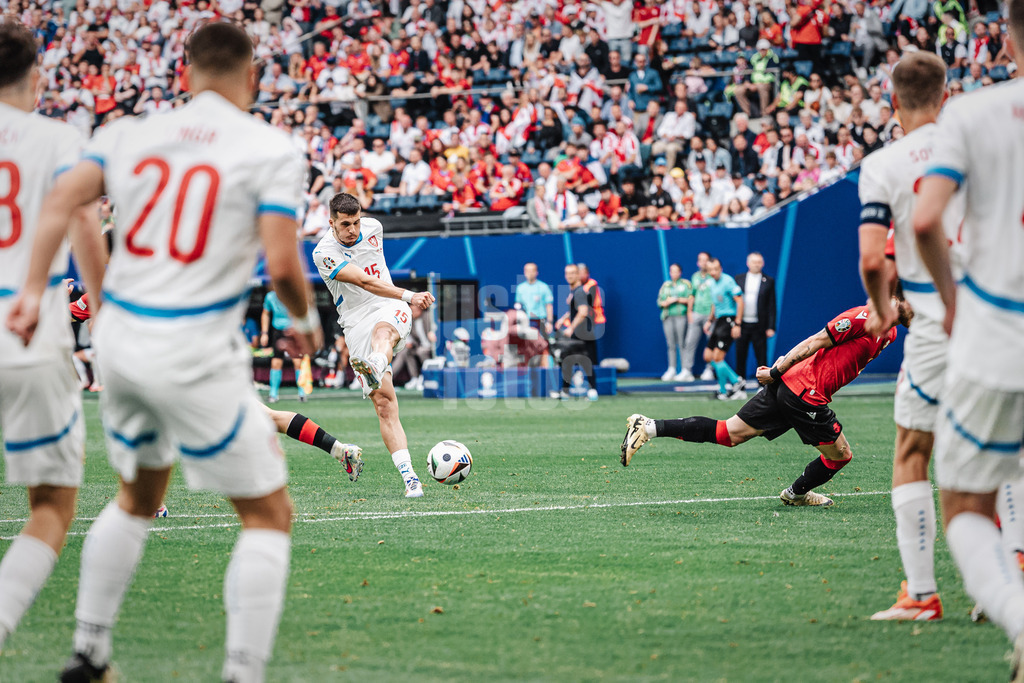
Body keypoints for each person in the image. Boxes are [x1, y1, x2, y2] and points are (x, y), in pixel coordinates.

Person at [7, 23, 321, 683]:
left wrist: (34, 289)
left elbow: (64, 199)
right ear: (253, 78)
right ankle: (243, 671)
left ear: (183, 74)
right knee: (268, 514)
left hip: (120, 344)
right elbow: (282, 262)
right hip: (194, 348)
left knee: (136, 495)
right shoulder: (270, 148)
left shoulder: (129, 133)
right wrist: (304, 320)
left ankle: (89, 652)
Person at [912, 2, 1024, 672]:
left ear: (1006, 37)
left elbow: (926, 220)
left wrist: (953, 305)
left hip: (999, 341)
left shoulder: (974, 114)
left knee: (964, 501)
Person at [0, 22, 100, 655]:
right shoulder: (60, 139)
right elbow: (86, 228)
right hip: (30, 334)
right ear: (36, 76)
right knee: (52, 504)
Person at [622, 298, 912, 508]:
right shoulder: (863, 317)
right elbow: (814, 342)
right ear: (897, 297)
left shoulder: (891, 332)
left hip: (792, 386)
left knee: (729, 433)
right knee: (840, 455)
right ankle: (796, 494)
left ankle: (648, 427)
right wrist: (776, 371)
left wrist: (782, 372)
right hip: (804, 393)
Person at [858, 51, 956, 622]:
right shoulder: (978, 145)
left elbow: (875, 259)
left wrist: (880, 311)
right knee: (1004, 451)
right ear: (947, 96)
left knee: (913, 450)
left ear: (892, 101)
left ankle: (921, 593)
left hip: (935, 322)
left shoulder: (884, 165)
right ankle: (1009, 572)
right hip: (1000, 316)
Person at [313, 192, 435, 498]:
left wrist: (403, 299)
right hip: (355, 321)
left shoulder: (374, 227)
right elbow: (364, 281)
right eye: (345, 224)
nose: (352, 229)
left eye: (356, 222)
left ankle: (377, 364)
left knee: (384, 333)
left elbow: (376, 286)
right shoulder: (323, 253)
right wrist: (411, 295)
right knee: (384, 404)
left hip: (388, 306)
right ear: (331, 222)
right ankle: (410, 478)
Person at [702, 258, 747, 400]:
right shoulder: (711, 283)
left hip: (729, 321)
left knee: (718, 357)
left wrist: (737, 323)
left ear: (720, 269)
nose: (713, 272)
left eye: (716, 269)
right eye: (710, 270)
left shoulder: (728, 281)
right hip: (719, 321)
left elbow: (740, 301)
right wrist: (710, 320)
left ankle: (733, 383)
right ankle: (730, 385)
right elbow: (714, 304)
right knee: (708, 356)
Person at [554, 263, 599, 401]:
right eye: (567, 273)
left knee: (585, 362)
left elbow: (583, 311)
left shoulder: (579, 292)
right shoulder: (575, 292)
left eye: (573, 273)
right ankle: (566, 391)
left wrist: (571, 328)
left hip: (583, 334)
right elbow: (576, 310)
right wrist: (563, 319)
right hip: (580, 333)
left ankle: (592, 391)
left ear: (578, 275)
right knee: (568, 361)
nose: (569, 276)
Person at [262, 285, 311, 403]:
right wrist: (264, 333)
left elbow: (300, 312)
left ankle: (302, 393)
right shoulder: (270, 297)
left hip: (293, 330)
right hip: (277, 331)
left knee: (297, 362)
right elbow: (265, 313)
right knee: (276, 362)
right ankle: (273, 394)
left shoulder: (292, 294)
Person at [734, 253, 776, 379]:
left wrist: (771, 327)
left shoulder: (768, 281)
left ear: (763, 263)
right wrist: (735, 323)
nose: (756, 265)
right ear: (748, 263)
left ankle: (762, 384)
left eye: (759, 262)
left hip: (759, 325)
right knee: (740, 355)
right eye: (754, 262)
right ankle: (740, 383)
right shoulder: (738, 279)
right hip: (742, 324)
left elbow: (772, 305)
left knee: (761, 356)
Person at [658, 264, 692, 381]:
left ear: (680, 272)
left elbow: (691, 299)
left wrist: (677, 299)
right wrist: (666, 302)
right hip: (668, 316)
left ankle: (685, 369)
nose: (674, 273)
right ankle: (671, 368)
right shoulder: (666, 285)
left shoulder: (686, 284)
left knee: (682, 343)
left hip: (681, 316)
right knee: (670, 344)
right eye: (672, 271)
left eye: (676, 271)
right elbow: (660, 301)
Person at [683, 252, 714, 382]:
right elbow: (692, 295)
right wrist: (689, 312)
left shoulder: (713, 276)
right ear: (698, 263)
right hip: (696, 313)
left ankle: (709, 369)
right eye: (701, 260)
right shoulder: (695, 277)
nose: (703, 263)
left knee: (711, 343)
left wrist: (712, 317)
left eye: (706, 260)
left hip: (710, 315)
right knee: (689, 342)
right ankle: (687, 370)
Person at [514, 262, 554, 334]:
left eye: (532, 271)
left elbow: (549, 306)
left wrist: (549, 322)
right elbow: (518, 306)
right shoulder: (520, 288)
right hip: (526, 321)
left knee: (541, 340)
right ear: (524, 272)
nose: (530, 273)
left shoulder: (543, 287)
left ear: (537, 272)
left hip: (541, 320)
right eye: (527, 271)